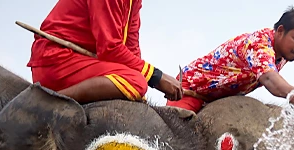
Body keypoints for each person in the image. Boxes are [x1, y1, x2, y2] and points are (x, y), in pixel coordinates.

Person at [27, 0, 183, 104]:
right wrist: (156, 78)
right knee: (136, 82)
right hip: (58, 59)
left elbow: (131, 47)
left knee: (138, 88)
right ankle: (50, 103)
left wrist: (145, 84)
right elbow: (110, 49)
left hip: (82, 62)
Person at [166, 8, 294, 114]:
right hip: (192, 89)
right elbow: (270, 79)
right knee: (177, 134)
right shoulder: (259, 44)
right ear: (280, 31)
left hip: (220, 101)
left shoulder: (282, 54)